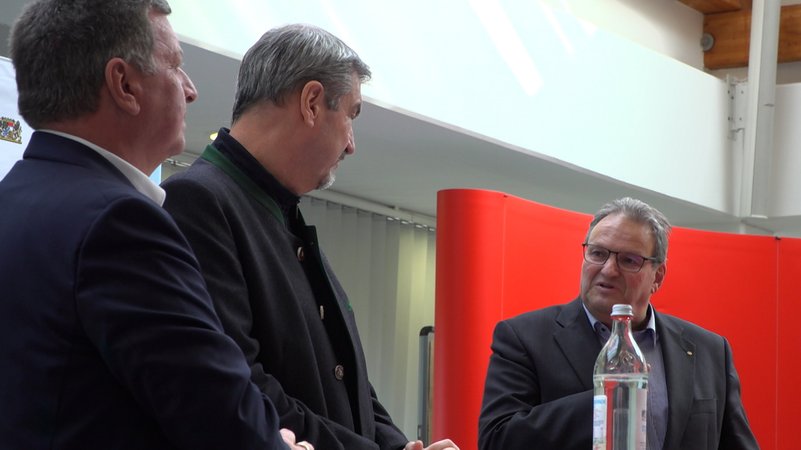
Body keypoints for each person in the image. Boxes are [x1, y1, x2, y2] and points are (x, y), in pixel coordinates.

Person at [0, 1, 311, 449]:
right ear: (124, 84)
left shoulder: (16, 201)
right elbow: (220, 416)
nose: (190, 90)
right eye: (176, 66)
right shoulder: (120, 223)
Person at [161, 24, 459, 450]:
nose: (352, 145)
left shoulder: (279, 210)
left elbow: (350, 379)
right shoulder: (198, 201)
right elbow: (242, 381)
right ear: (312, 102)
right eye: (352, 115)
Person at [478, 197, 759, 450]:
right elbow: (496, 439)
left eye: (629, 260)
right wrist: (609, 401)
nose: (609, 270)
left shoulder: (709, 349)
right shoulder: (524, 337)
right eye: (598, 253)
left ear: (658, 276)